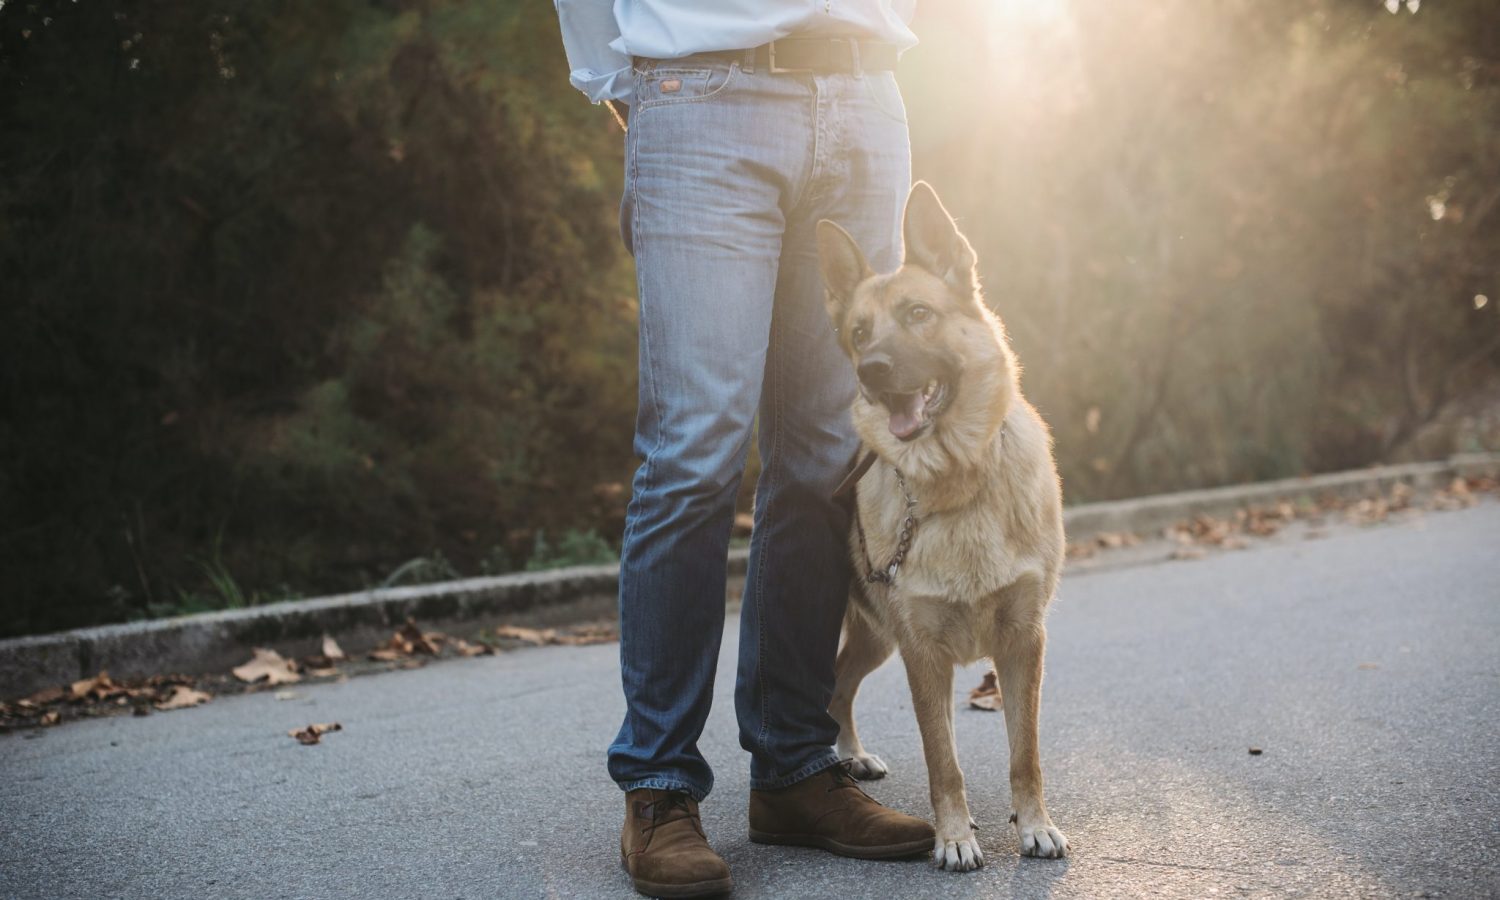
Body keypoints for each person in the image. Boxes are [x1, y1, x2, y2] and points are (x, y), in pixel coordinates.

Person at [553, 3, 933, 895]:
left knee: (824, 456)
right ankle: (657, 785)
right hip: (700, 95)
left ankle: (795, 767)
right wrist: (626, 84)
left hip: (866, 96)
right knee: (695, 447)